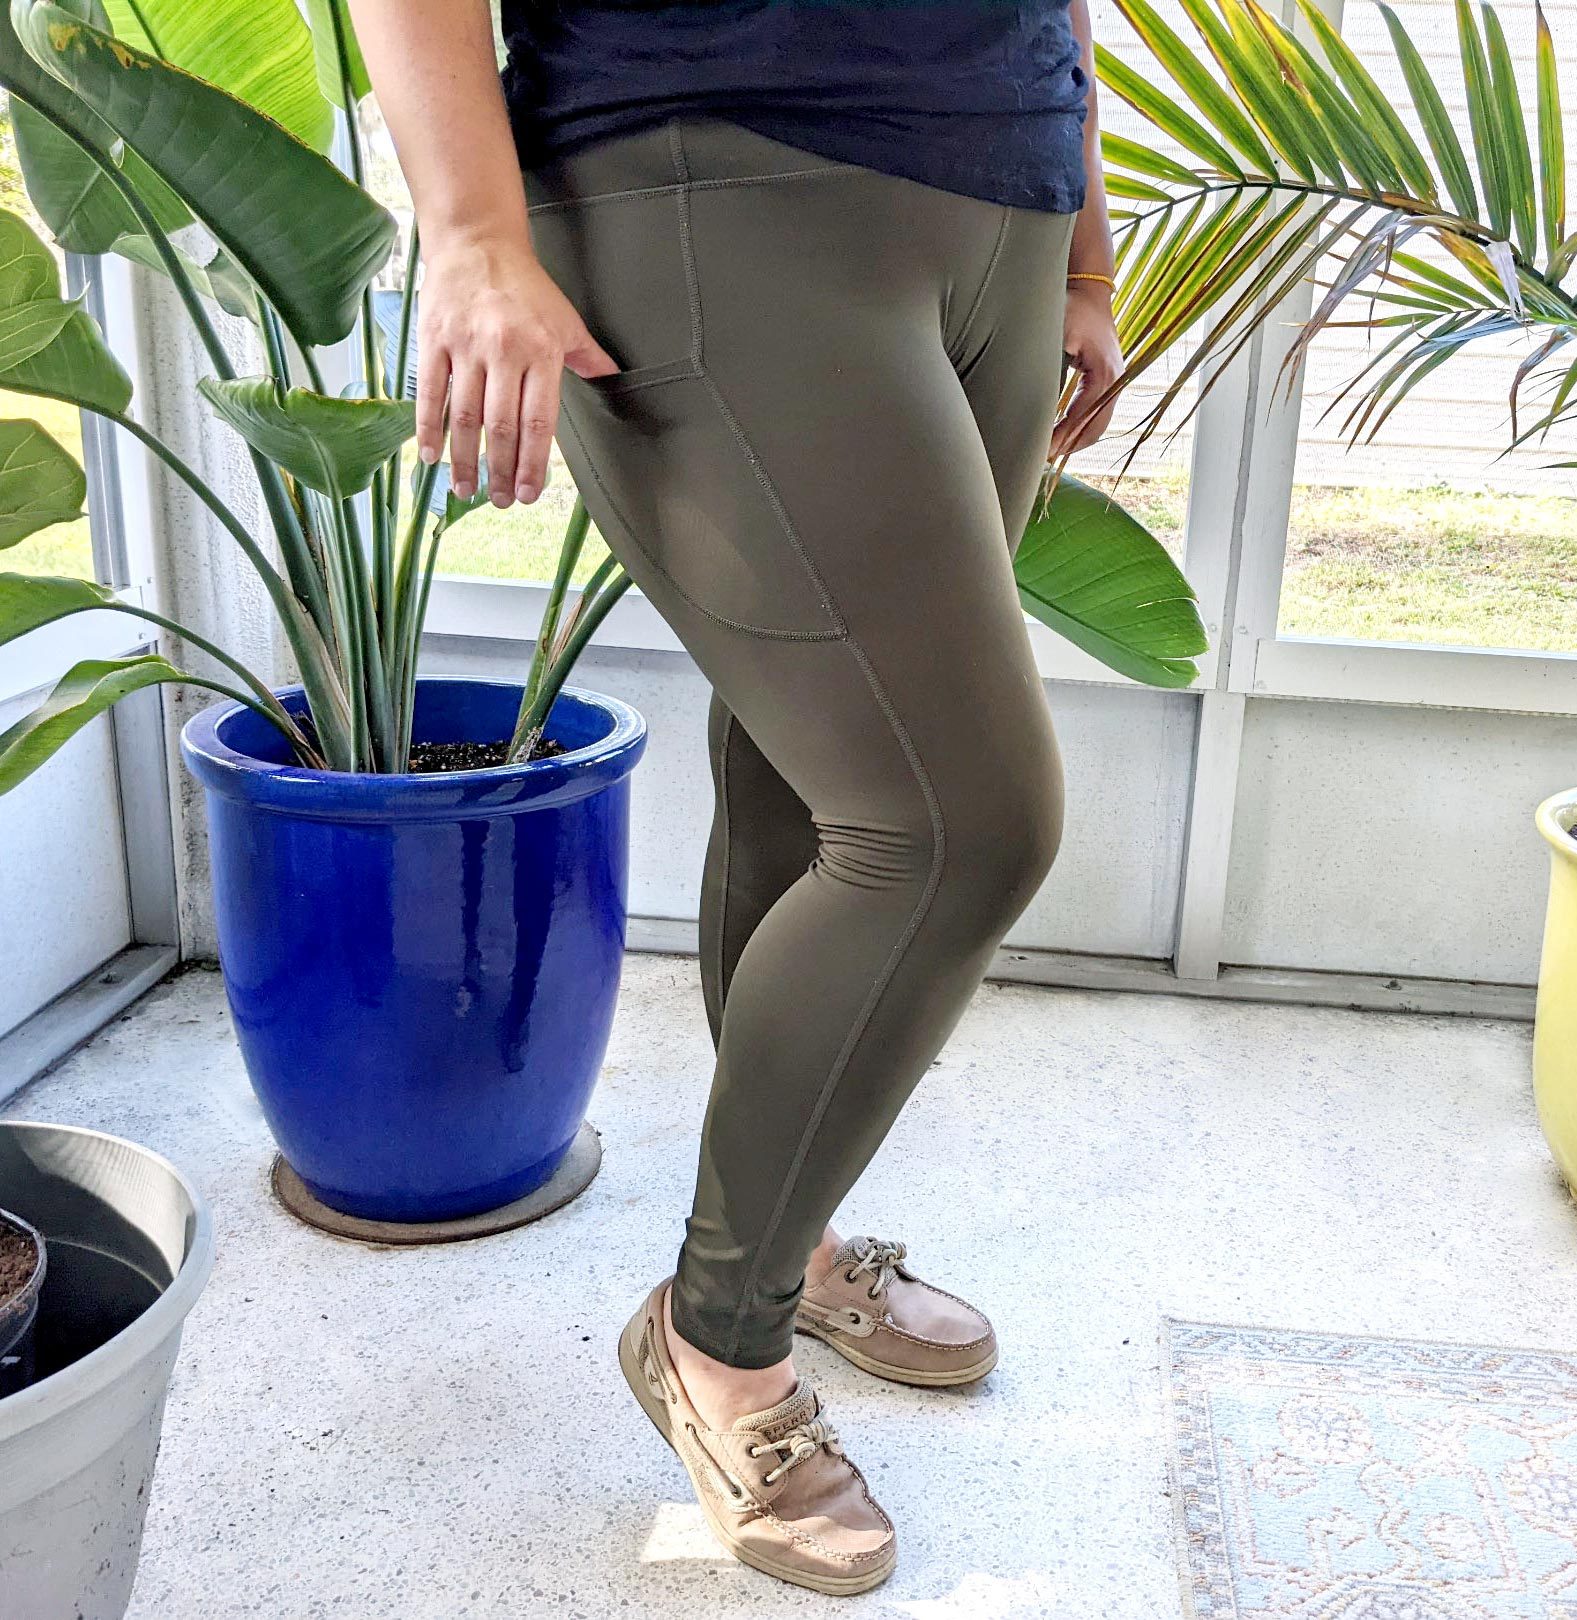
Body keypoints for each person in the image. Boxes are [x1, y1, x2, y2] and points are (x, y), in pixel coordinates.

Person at [350, 0, 1122, 1594]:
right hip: (709, 171)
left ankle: (797, 1240)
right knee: (958, 824)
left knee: (810, 769)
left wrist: (1085, 244)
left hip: (1004, 188)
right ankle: (717, 1340)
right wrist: (473, 233)